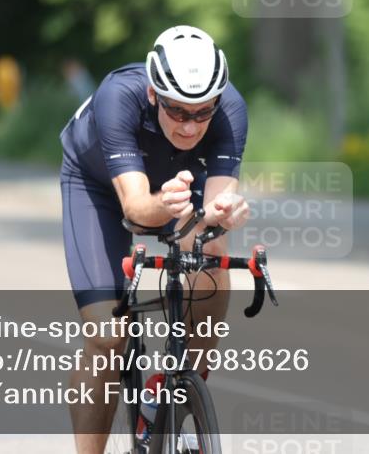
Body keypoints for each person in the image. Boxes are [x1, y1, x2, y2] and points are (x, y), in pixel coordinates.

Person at [59, 25, 249, 454]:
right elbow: (137, 211)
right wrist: (168, 203)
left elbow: (218, 206)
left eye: (203, 113)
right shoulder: (118, 97)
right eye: (178, 112)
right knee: (108, 336)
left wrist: (226, 212)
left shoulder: (232, 108)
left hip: (173, 184)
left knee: (213, 255)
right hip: (100, 189)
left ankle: (179, 395)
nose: (190, 126)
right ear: (153, 95)